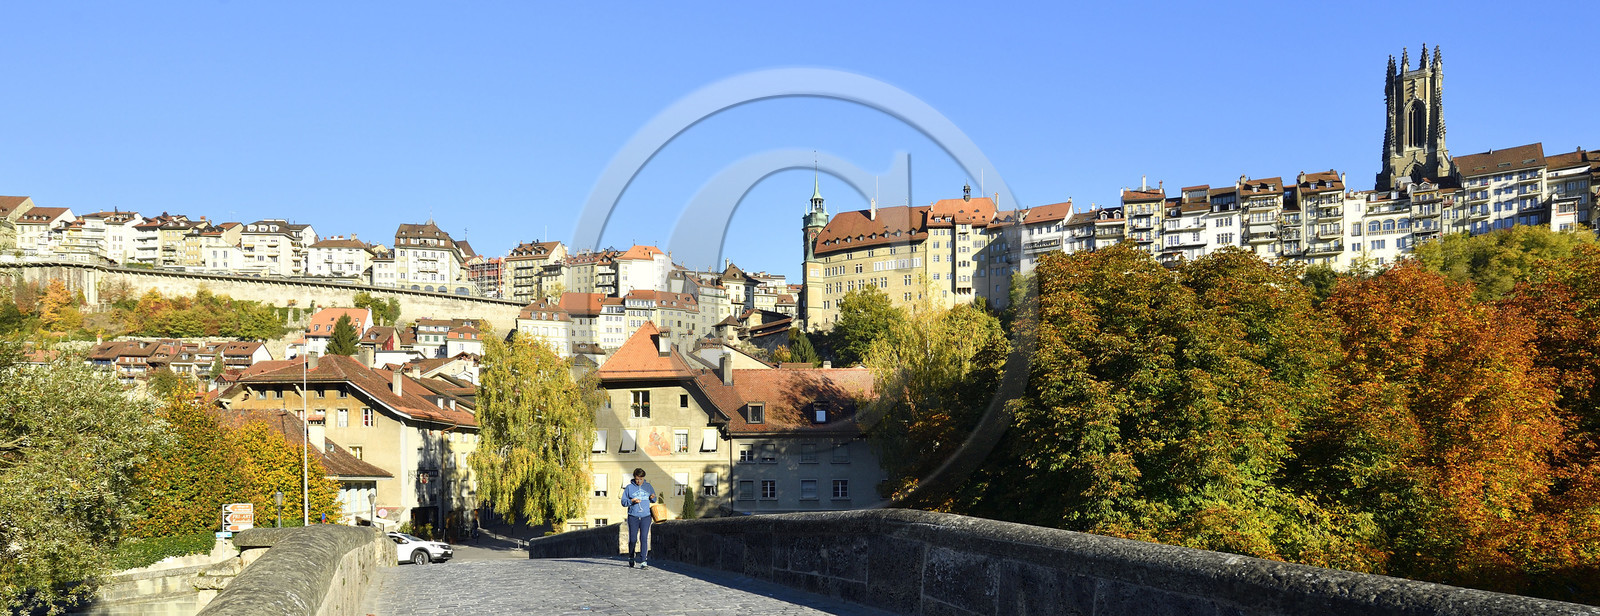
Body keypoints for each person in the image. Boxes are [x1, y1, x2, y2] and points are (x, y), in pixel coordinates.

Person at [620, 467, 657, 569]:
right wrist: (632, 501)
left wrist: (653, 498)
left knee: (643, 538)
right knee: (633, 539)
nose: (639, 481)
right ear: (634, 478)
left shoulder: (648, 486)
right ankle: (631, 556)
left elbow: (654, 499)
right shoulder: (629, 488)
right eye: (637, 479)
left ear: (644, 478)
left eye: (641, 479)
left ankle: (643, 561)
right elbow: (623, 502)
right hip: (633, 516)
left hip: (646, 516)